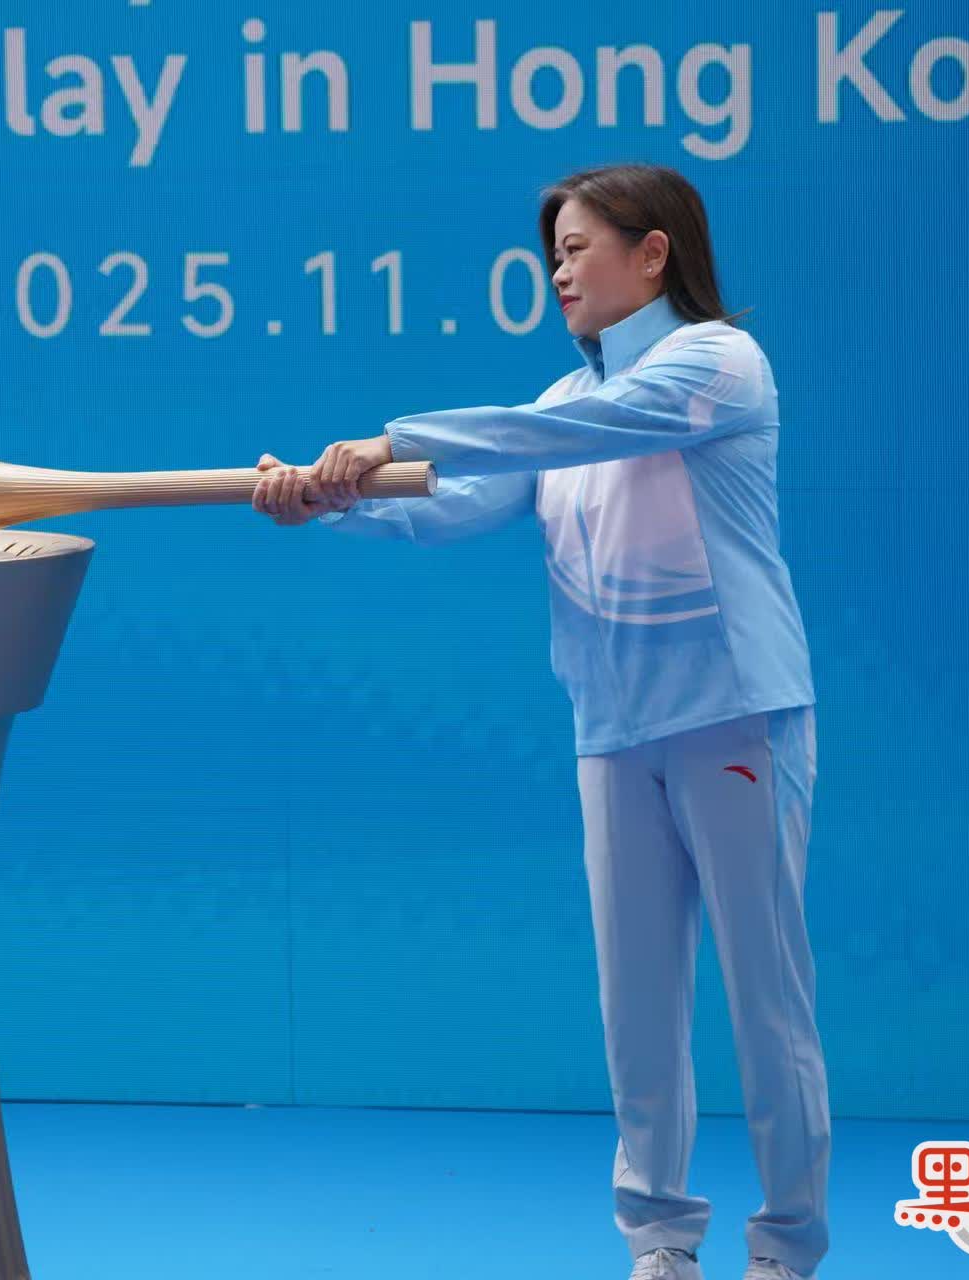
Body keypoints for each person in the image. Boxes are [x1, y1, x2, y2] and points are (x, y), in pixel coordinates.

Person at [251, 164, 829, 1280]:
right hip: (612, 730)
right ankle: (660, 1239)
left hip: (734, 717)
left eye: (577, 248)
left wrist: (386, 441)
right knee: (637, 1007)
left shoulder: (718, 361)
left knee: (767, 999)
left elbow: (554, 434)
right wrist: (327, 500)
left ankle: (787, 1248)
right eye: (551, 254)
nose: (558, 272)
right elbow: (449, 506)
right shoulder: (558, 405)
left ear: (652, 252)